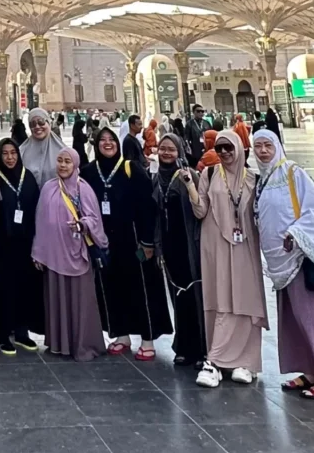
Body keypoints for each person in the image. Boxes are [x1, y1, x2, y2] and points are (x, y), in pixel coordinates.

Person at [252, 130, 314, 400]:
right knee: (295, 320)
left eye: (267, 146)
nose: (262, 151)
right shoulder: (264, 178)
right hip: (279, 262)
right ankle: (310, 371)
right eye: (258, 146)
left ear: (277, 147)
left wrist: (295, 234)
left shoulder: (292, 173)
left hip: (299, 258)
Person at [80, 127, 172, 360]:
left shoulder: (132, 169)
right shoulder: (90, 172)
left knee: (141, 288)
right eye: (103, 140)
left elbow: (147, 207)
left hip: (134, 241)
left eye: (112, 140)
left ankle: (148, 339)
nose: (108, 144)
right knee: (112, 287)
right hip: (105, 241)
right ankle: (121, 335)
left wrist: (147, 242)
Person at [193, 131, 268, 387]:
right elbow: (201, 210)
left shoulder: (254, 179)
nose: (224, 153)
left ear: (239, 148)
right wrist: (190, 188)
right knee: (220, 299)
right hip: (215, 245)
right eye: (219, 148)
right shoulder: (210, 174)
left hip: (244, 246)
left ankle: (247, 361)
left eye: (229, 148)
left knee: (246, 300)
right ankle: (214, 359)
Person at [32, 147, 108, 359]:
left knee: (80, 300)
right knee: (57, 299)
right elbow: (40, 222)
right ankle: (59, 344)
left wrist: (82, 225)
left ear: (75, 165)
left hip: (78, 254)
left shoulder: (84, 189)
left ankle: (82, 344)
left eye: (67, 161)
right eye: (60, 161)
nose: (63, 165)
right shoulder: (48, 188)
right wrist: (38, 252)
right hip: (54, 255)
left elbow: (95, 219)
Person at [152, 134, 205, 367]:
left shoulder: (188, 175)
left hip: (189, 246)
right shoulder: (155, 179)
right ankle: (182, 347)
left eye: (171, 149)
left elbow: (201, 209)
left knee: (195, 298)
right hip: (169, 246)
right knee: (178, 298)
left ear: (179, 151)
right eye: (162, 149)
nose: (166, 153)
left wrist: (189, 184)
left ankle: (201, 348)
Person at [0, 138, 44, 354]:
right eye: (5, 153)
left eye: (13, 153)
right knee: (4, 288)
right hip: (3, 245)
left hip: (25, 243)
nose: (10, 157)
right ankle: (3, 334)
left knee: (25, 286)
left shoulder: (28, 178)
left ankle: (22, 332)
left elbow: (37, 210)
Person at [20, 107, 65, 187]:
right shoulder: (22, 151)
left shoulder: (63, 152)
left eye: (41, 122)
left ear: (49, 123)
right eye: (33, 124)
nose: (37, 127)